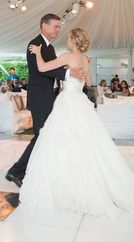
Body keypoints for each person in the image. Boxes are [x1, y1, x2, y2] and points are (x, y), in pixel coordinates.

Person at [19, 28, 134, 220]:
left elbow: (43, 68)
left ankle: (65, 185)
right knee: (86, 141)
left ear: (73, 40)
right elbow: (89, 83)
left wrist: (37, 54)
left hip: (67, 101)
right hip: (79, 101)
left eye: (68, 37)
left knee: (60, 140)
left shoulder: (67, 56)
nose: (66, 39)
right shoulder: (85, 59)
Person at [6, 14, 82, 188]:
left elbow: (52, 67)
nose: (58, 29)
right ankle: (17, 171)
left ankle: (26, 170)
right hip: (39, 97)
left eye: (59, 26)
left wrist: (69, 67)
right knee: (42, 135)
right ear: (44, 26)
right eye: (55, 26)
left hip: (48, 97)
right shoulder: (35, 45)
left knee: (44, 135)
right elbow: (42, 70)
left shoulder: (50, 47)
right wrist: (68, 73)